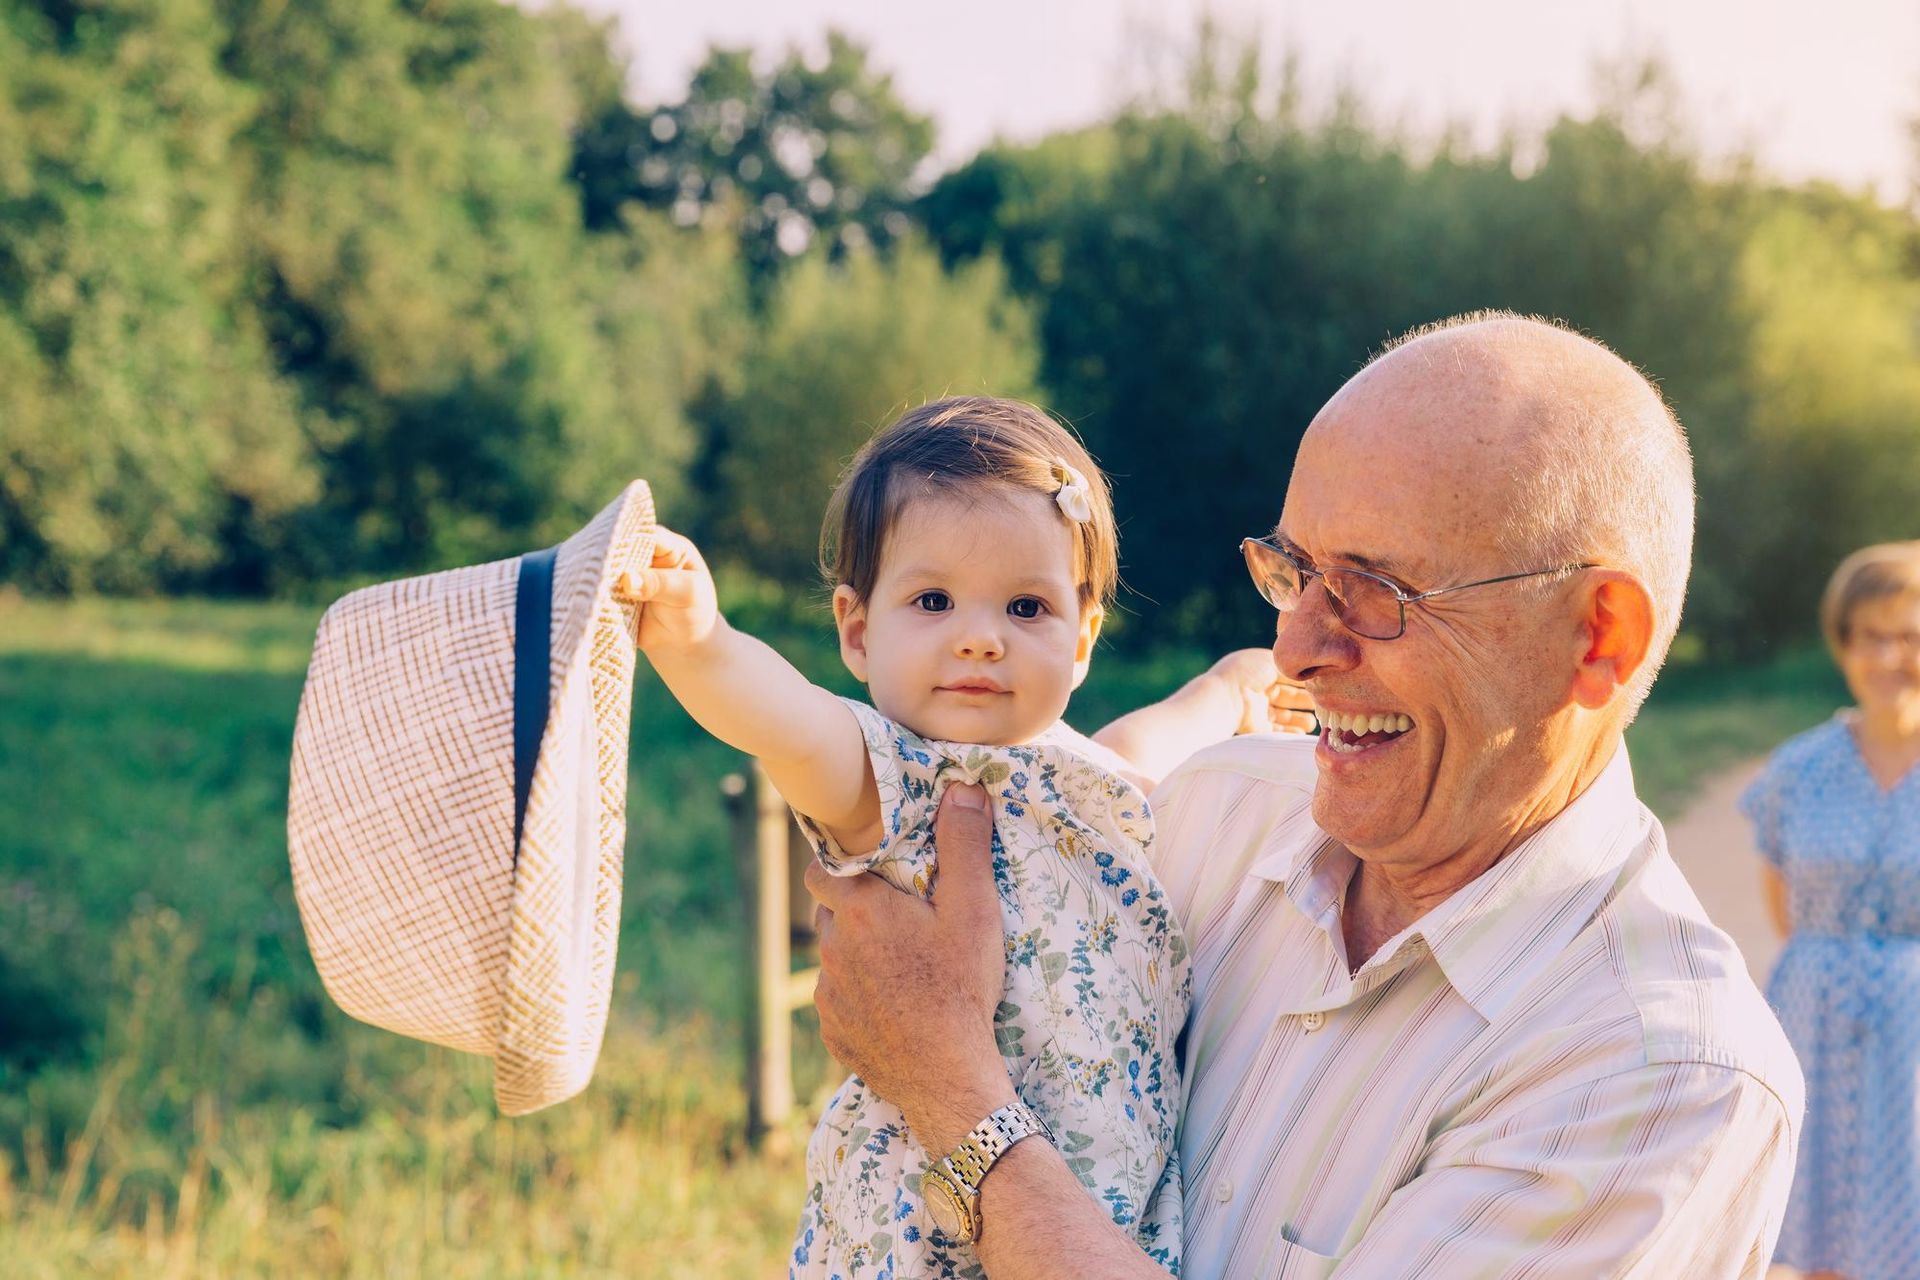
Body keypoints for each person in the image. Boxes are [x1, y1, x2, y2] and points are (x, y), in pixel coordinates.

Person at [804, 312, 1806, 1278]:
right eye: (1294, 570)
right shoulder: (1210, 815)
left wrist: (950, 1089)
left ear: (1598, 638)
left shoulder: (1658, 1079)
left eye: (1376, 590)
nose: (1294, 648)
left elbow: (936, 1035)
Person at [620, 396, 1306, 1279]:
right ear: (858, 632)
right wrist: (700, 640)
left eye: (1026, 608)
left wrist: (1236, 687)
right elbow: (784, 722)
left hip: (1094, 1223)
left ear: (1083, 637)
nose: (981, 639)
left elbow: (1162, 731)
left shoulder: (1088, 779)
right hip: (929, 1235)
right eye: (934, 600)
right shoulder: (892, 783)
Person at [1743, 541, 1920, 1280]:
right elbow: (1784, 909)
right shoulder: (1797, 770)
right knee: (1815, 1230)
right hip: (1810, 1018)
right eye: (1870, 637)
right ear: (1843, 647)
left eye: (1910, 635)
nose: (1889, 657)